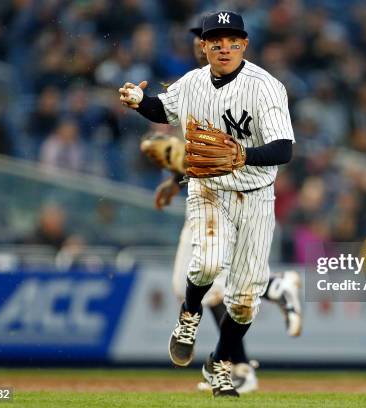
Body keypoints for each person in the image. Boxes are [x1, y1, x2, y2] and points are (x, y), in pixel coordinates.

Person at [119, 11, 296, 397]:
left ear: (244, 45)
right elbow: (161, 109)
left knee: (244, 303)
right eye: (215, 39)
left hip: (257, 196)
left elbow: (285, 148)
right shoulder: (192, 83)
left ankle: (220, 362)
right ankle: (189, 316)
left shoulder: (266, 87)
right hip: (209, 189)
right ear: (204, 46)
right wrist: (138, 101)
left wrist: (244, 157)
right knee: (207, 264)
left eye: (232, 40)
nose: (224, 46)